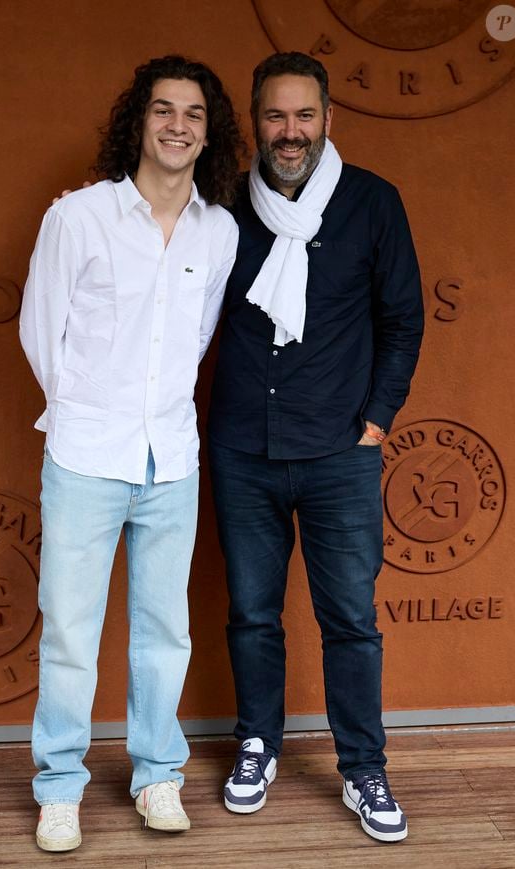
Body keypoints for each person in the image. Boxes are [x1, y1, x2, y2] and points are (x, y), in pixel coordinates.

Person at [20, 55, 242, 851]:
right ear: (139, 120)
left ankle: (157, 776)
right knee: (72, 630)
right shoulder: (77, 218)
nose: (177, 125)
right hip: (85, 452)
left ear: (207, 133)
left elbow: (198, 337)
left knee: (163, 629)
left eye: (193, 114)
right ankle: (59, 788)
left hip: (172, 459)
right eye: (163, 109)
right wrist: (81, 407)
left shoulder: (220, 231)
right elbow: (40, 331)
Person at [207, 52, 424, 843]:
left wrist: (377, 421)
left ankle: (364, 766)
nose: (289, 132)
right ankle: (256, 744)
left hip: (340, 451)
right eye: (274, 116)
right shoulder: (224, 203)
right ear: (256, 120)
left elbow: (403, 319)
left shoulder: (372, 204)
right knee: (254, 614)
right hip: (241, 447)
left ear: (329, 119)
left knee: (350, 621)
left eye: (304, 116)